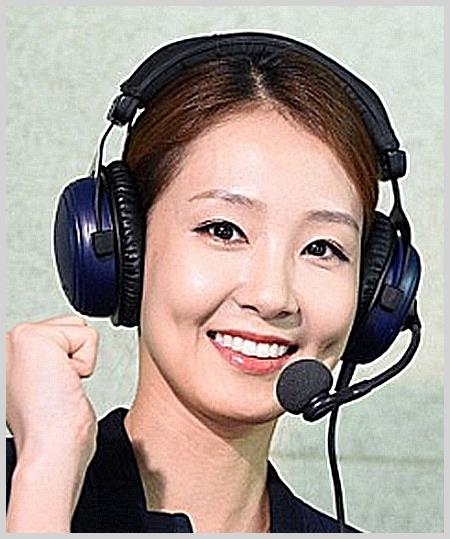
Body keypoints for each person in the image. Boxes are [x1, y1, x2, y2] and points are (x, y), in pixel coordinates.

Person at [6, 31, 417, 533]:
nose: (272, 297)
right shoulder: (25, 490)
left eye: (321, 248)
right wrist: (45, 474)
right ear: (121, 248)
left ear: (374, 291)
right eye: (223, 230)